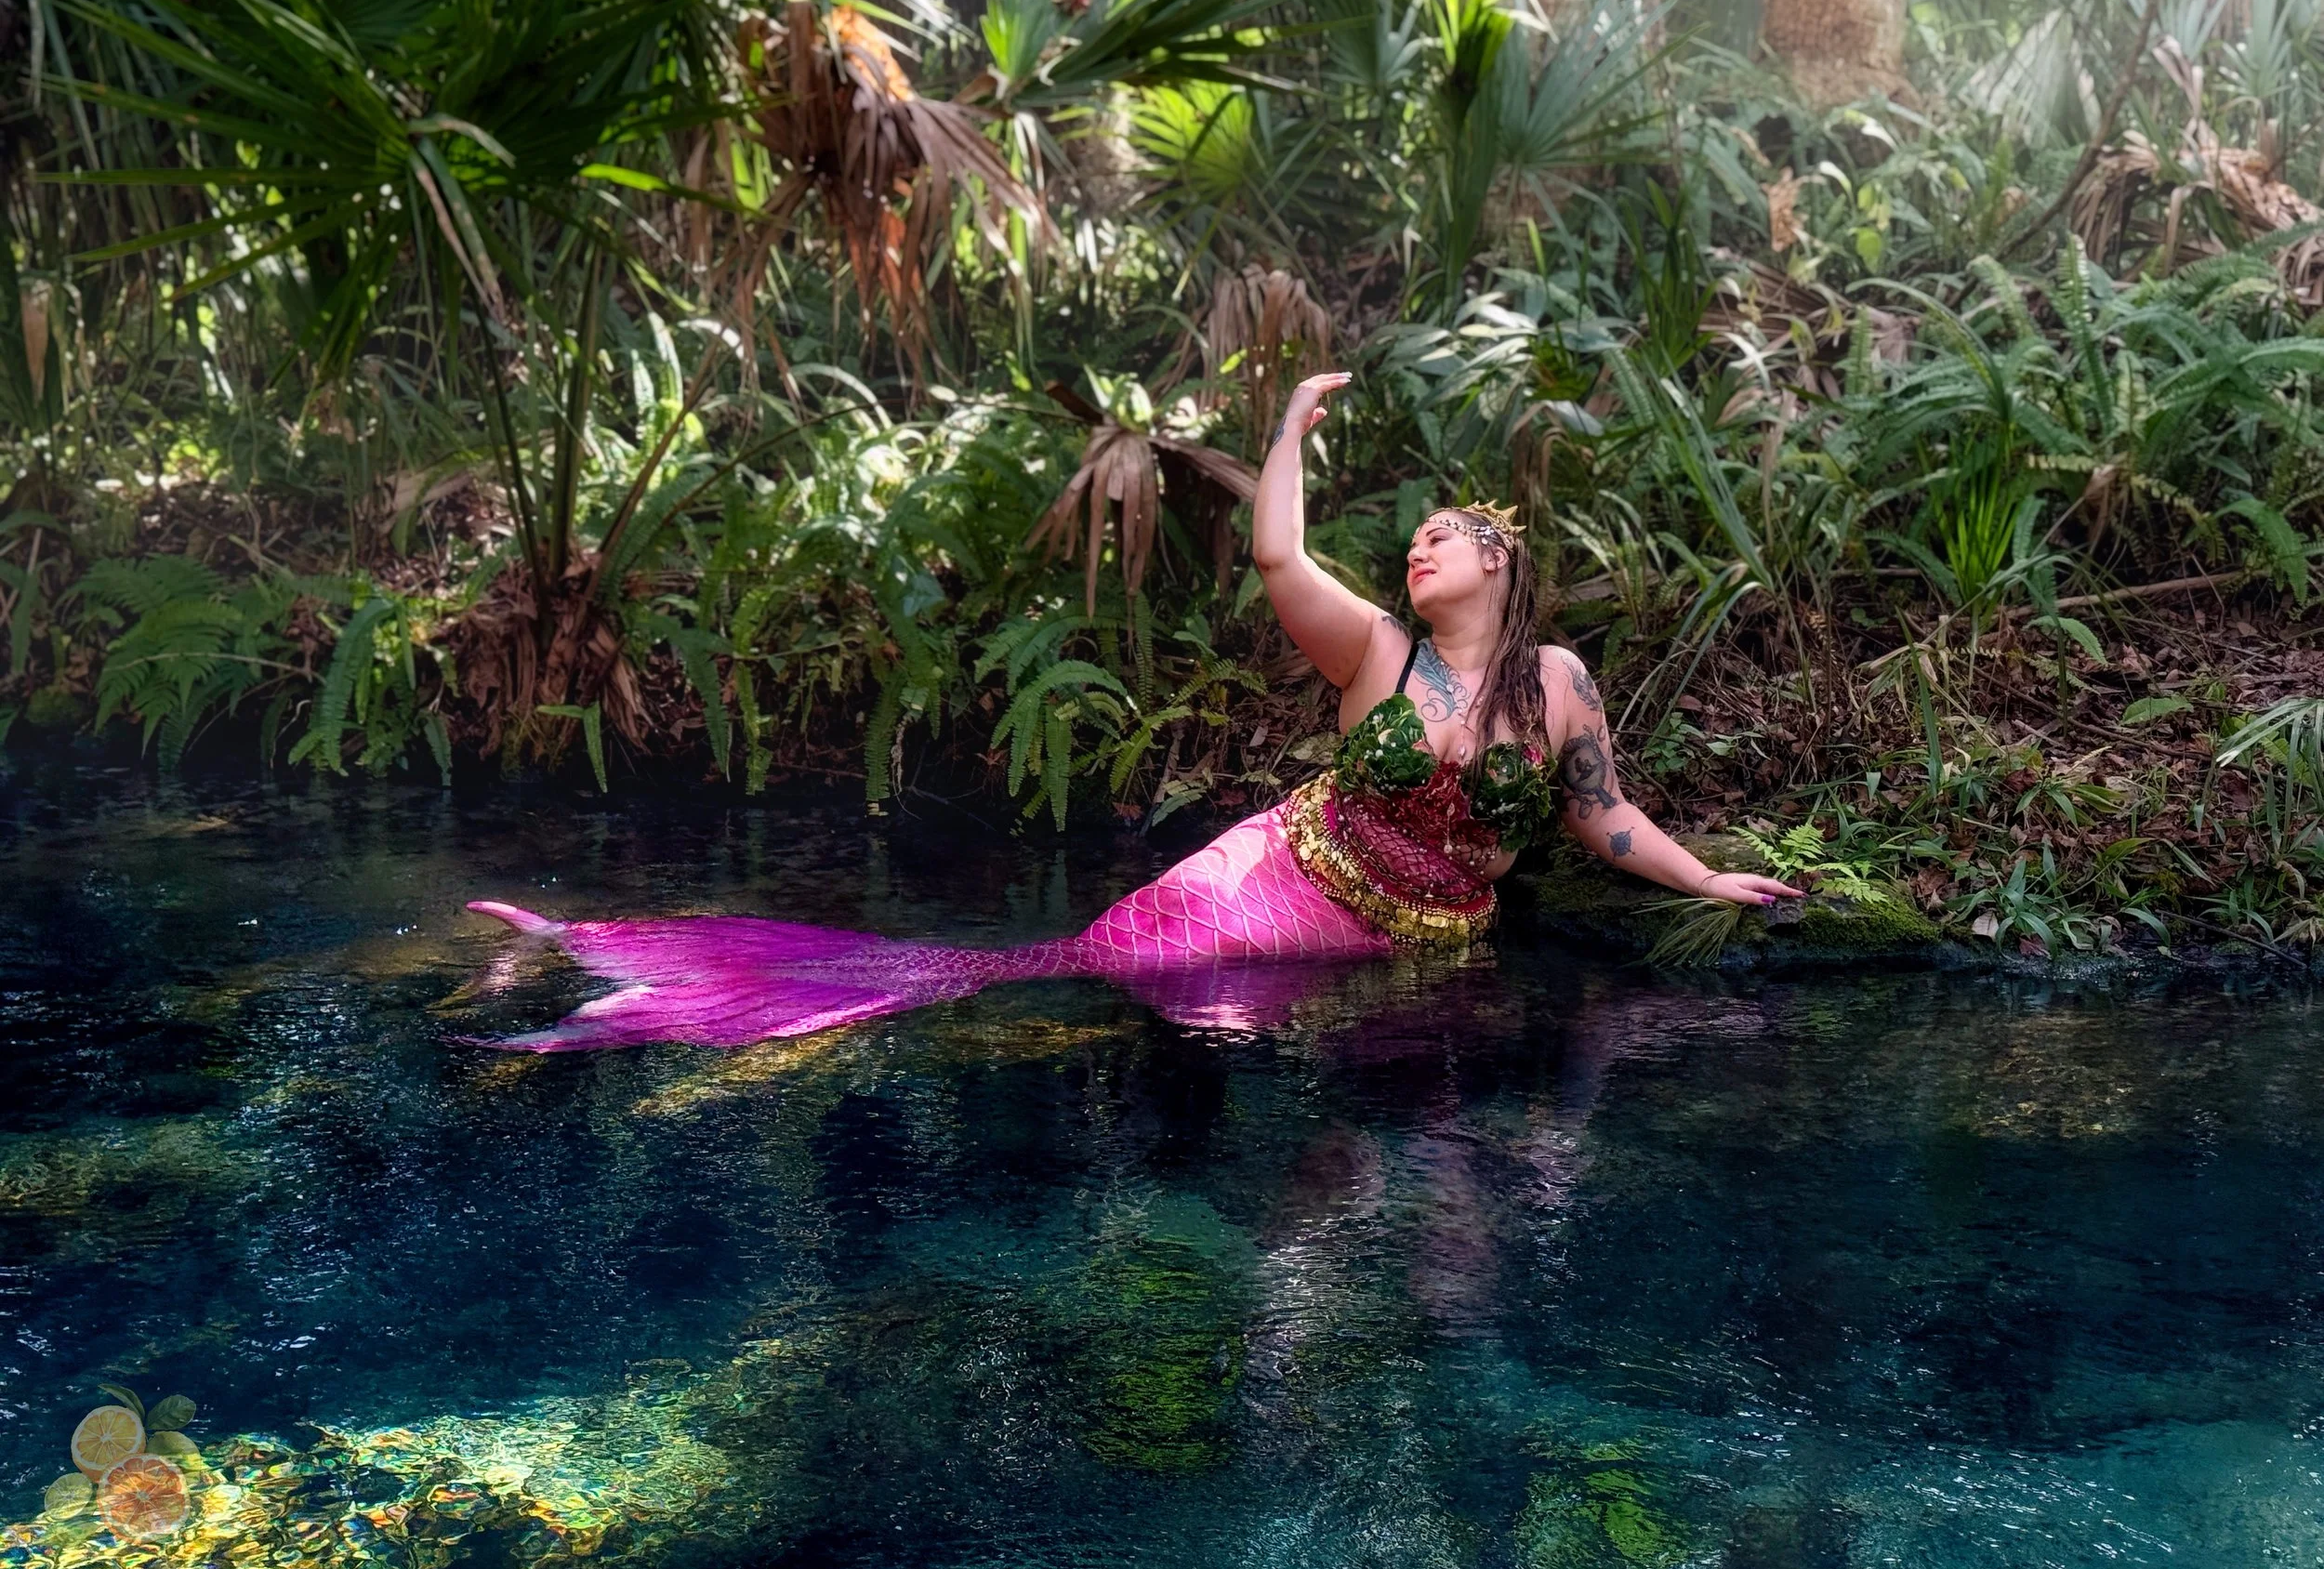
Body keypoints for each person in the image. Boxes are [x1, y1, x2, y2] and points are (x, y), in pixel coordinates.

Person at [468, 371, 1800, 1050]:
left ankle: (662, 982)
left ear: (1501, 558)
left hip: (1424, 938)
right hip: (1285, 874)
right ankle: (641, 963)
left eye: (1446, 537)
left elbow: (1602, 814)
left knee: (1202, 1023)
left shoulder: (1556, 680)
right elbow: (1281, 559)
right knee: (1097, 969)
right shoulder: (1377, 647)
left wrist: (1711, 879)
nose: (1421, 548)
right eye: (1415, 538)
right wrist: (1286, 428)